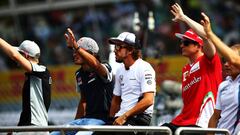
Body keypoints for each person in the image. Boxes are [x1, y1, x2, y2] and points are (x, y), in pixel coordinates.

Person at [161, 3, 223, 134]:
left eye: (186, 42)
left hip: (202, 122)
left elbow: (207, 35)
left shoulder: (209, 60)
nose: (182, 45)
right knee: (157, 131)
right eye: (182, 42)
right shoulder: (185, 69)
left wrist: (184, 18)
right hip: (182, 121)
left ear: (198, 46)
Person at [51, 28, 114, 135]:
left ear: (91, 54)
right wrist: (74, 124)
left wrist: (76, 46)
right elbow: (83, 100)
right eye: (74, 51)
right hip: (85, 120)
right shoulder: (78, 74)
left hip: (102, 121)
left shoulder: (104, 67)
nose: (74, 54)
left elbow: (96, 65)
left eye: (79, 51)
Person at [108, 32, 156, 135]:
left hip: (139, 119)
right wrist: (110, 121)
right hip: (121, 118)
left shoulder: (144, 68)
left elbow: (149, 100)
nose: (114, 50)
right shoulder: (120, 70)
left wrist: (124, 117)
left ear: (130, 50)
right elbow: (116, 101)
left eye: (118, 47)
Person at [0, 39, 51, 134]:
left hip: (35, 128)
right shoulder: (34, 74)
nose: (16, 59)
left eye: (21, 54)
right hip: (30, 127)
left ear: (26, 56)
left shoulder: (41, 70)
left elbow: (14, 56)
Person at [200, 12, 240, 135]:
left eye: (230, 61)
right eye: (224, 61)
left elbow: (233, 59)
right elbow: (215, 117)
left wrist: (210, 34)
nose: (226, 64)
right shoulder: (224, 85)